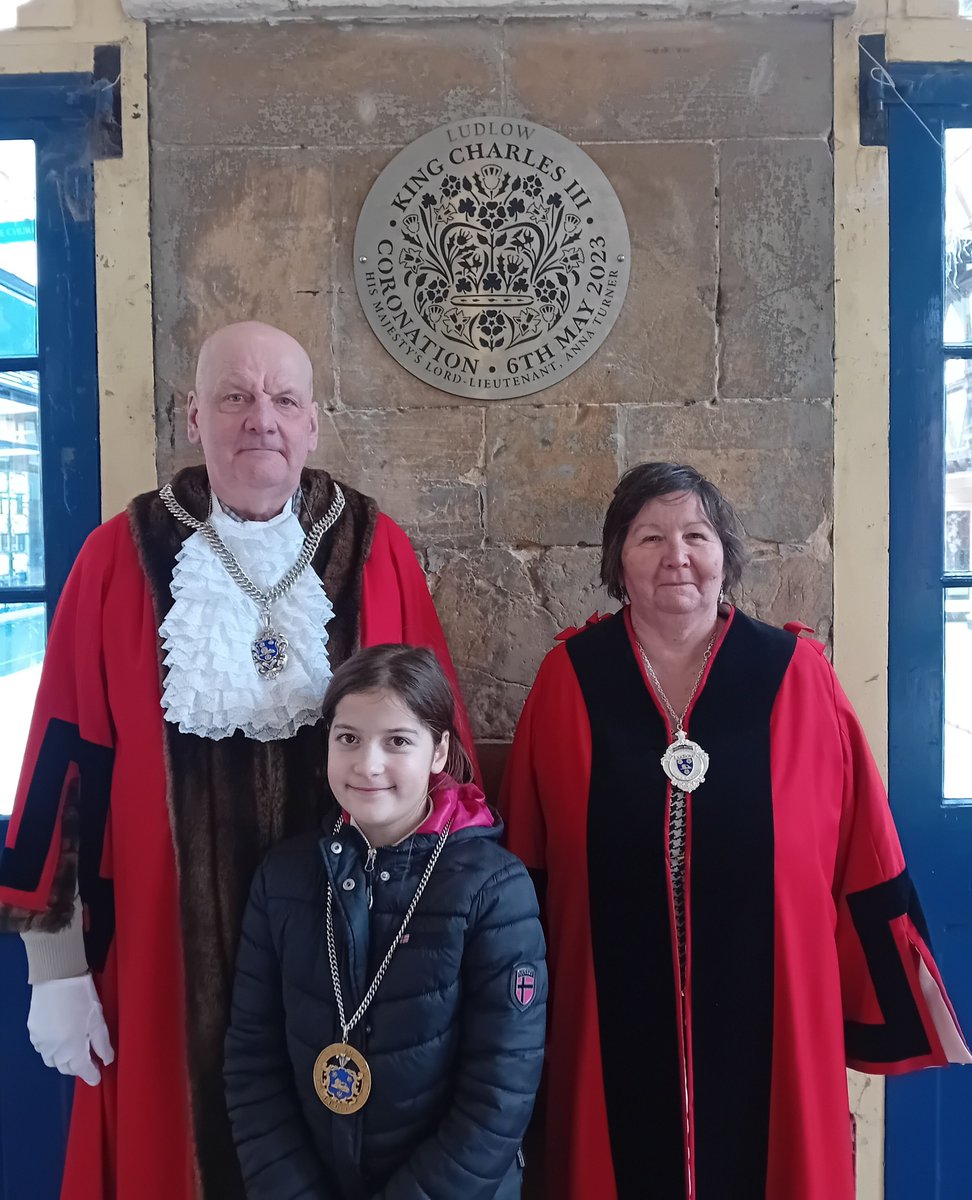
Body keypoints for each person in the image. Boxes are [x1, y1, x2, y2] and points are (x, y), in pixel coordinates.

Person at [0, 322, 476, 1200]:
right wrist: (55, 969)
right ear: (193, 417)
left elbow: (440, 762)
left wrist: (452, 945)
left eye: (284, 400)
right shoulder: (119, 557)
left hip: (361, 948)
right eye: (235, 396)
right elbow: (63, 763)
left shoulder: (377, 550)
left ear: (313, 423)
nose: (262, 419)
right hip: (160, 950)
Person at [500, 461, 970, 1200]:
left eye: (695, 534)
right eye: (649, 536)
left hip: (777, 1002)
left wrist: (885, 987)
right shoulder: (570, 679)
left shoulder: (796, 674)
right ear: (617, 559)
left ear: (725, 552)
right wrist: (515, 1003)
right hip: (610, 1014)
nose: (675, 555)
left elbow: (860, 842)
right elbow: (525, 865)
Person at [224, 644, 546, 1200]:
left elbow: (500, 1091)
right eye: (347, 737)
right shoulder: (283, 877)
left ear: (438, 751)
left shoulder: (495, 888)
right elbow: (252, 1062)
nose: (367, 764)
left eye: (397, 741)